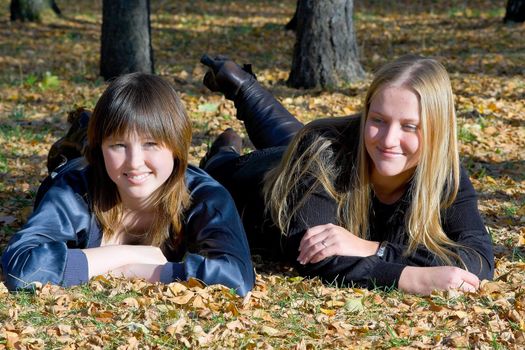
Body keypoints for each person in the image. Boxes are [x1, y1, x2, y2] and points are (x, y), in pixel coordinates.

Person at [199, 54, 494, 295]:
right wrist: (412, 277)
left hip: (312, 156)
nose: (389, 138)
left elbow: (479, 258)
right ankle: (223, 151)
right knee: (304, 147)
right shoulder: (324, 151)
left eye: (409, 126)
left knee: (306, 141)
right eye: (378, 120)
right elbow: (317, 258)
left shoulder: (441, 168)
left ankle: (242, 86)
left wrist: (373, 249)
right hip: (253, 183)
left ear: (437, 130)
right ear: (365, 114)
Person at [1, 72, 254, 296]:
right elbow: (21, 269)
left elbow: (237, 278)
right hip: (78, 167)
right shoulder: (73, 190)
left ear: (177, 147)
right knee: (75, 156)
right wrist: (129, 254)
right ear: (101, 149)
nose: (135, 162)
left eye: (151, 144)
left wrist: (142, 271)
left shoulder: (206, 195)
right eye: (118, 145)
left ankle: (224, 150)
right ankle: (81, 132)